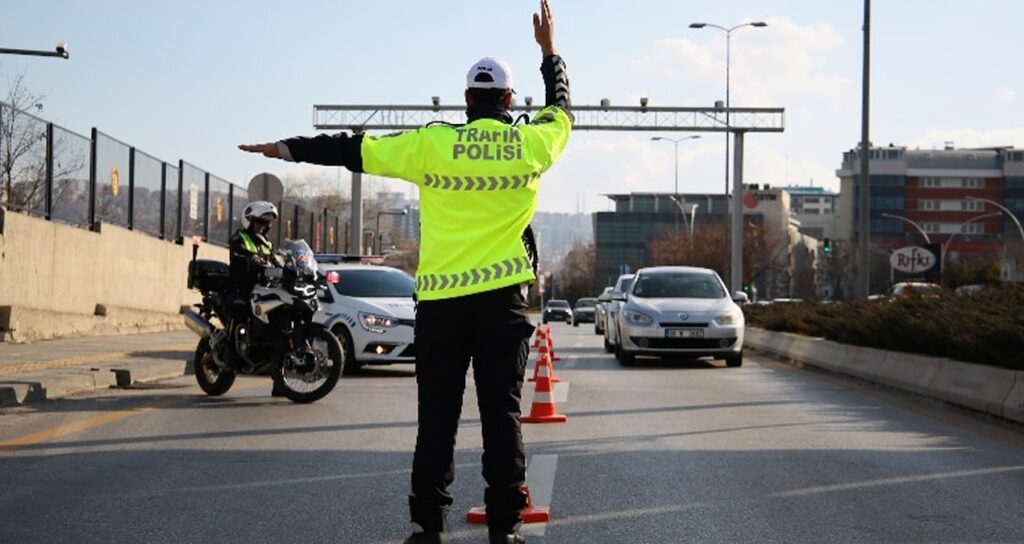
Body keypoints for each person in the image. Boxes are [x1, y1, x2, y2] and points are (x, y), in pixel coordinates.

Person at [239, 2, 570, 541]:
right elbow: (562, 109)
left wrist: (286, 148)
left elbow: (352, 149)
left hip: (440, 308)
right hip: (502, 304)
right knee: (501, 417)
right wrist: (549, 52)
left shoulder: (432, 143)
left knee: (436, 422)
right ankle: (505, 526)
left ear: (466, 101)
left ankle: (426, 526)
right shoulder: (531, 142)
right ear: (510, 101)